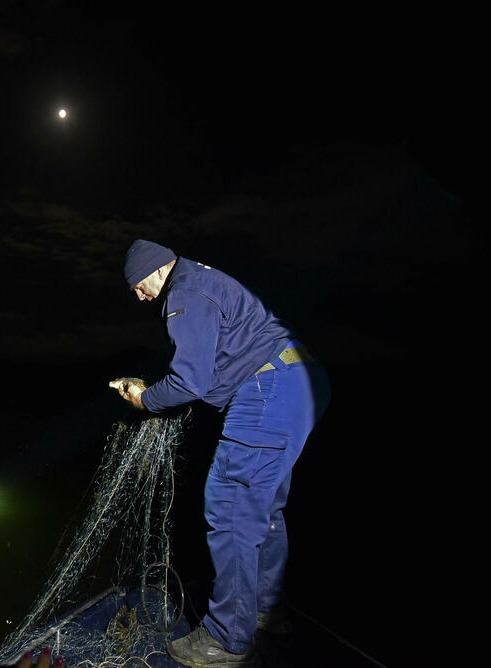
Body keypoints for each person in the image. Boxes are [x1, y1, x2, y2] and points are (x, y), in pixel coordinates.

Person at [110, 239, 331, 667]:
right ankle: (267, 612)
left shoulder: (184, 290)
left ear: (158, 269)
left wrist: (144, 400)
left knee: (230, 508)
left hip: (269, 386)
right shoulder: (203, 280)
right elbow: (207, 371)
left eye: (138, 284)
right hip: (302, 379)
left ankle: (227, 639)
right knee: (263, 508)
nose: (138, 295)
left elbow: (189, 381)